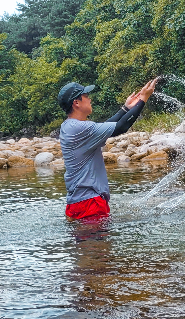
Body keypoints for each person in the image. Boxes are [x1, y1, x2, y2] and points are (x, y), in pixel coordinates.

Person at [58, 78, 159, 220]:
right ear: (76, 103)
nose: (90, 99)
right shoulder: (79, 128)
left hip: (80, 203)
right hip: (89, 204)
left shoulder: (70, 126)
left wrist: (126, 108)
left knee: (87, 241)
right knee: (96, 242)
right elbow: (121, 127)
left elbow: (106, 126)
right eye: (86, 96)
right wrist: (143, 99)